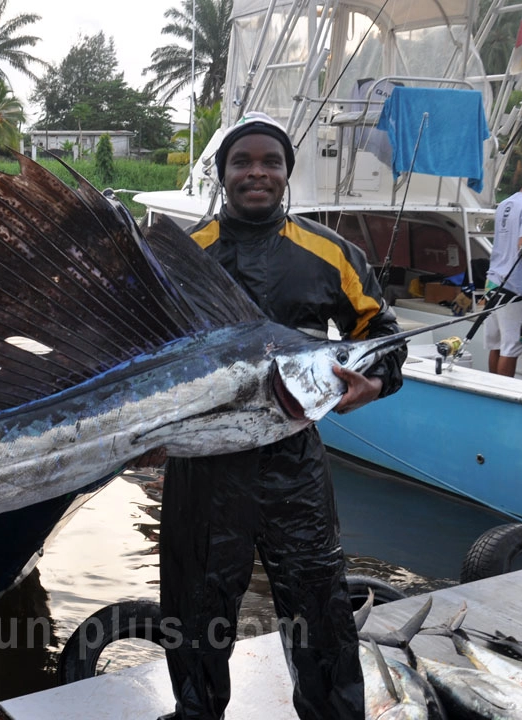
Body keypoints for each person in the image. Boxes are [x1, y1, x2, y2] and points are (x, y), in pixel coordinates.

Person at [159, 112, 406, 720]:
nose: (257, 173)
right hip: (202, 465)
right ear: (222, 174)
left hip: (293, 467)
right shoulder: (184, 254)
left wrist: (372, 384)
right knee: (193, 610)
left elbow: (383, 335)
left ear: (288, 174)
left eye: (271, 162)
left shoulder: (328, 252)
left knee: (319, 608)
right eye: (242, 162)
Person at [482, 162, 522, 376]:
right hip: (516, 289)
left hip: (493, 282)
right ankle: (504, 398)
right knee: (511, 347)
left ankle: (492, 393)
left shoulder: (506, 203)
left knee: (497, 344)